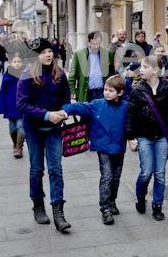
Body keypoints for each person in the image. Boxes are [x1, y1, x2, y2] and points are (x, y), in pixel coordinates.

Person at [16, 38, 71, 231]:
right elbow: (21, 104)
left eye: (49, 51)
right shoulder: (26, 76)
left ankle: (58, 211)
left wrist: (64, 111)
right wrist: (47, 115)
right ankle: (38, 205)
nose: (48, 55)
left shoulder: (60, 74)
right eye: (43, 52)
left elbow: (66, 97)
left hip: (54, 129)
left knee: (56, 169)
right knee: (37, 169)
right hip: (34, 130)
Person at [60, 75, 128, 225]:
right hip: (103, 147)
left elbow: (132, 123)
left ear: (120, 92)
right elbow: (81, 107)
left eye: (111, 90)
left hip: (119, 147)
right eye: (105, 89)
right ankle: (105, 208)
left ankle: (112, 202)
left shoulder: (126, 107)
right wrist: (66, 109)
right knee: (107, 176)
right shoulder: (97, 104)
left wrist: (133, 138)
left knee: (116, 177)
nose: (106, 93)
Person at [126, 56, 168, 220]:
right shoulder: (138, 90)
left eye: (144, 67)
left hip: (162, 136)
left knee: (160, 173)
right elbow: (131, 115)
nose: (141, 70)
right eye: (140, 67)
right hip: (144, 135)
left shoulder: (167, 88)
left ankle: (157, 205)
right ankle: (140, 195)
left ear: (155, 70)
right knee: (146, 172)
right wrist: (130, 137)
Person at [68, 31, 115, 103]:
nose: (96, 46)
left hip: (102, 92)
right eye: (93, 44)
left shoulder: (107, 53)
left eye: (98, 44)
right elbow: (72, 74)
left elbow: (112, 73)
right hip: (85, 93)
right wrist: (72, 90)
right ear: (89, 42)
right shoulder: (79, 54)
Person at [0, 54, 25, 158]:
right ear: (10, 63)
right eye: (15, 62)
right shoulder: (6, 76)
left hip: (22, 105)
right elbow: (2, 92)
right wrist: (2, 108)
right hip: (10, 105)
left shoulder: (25, 75)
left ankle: (19, 148)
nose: (17, 64)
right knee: (12, 128)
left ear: (22, 63)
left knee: (20, 126)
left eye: (19, 62)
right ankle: (15, 144)